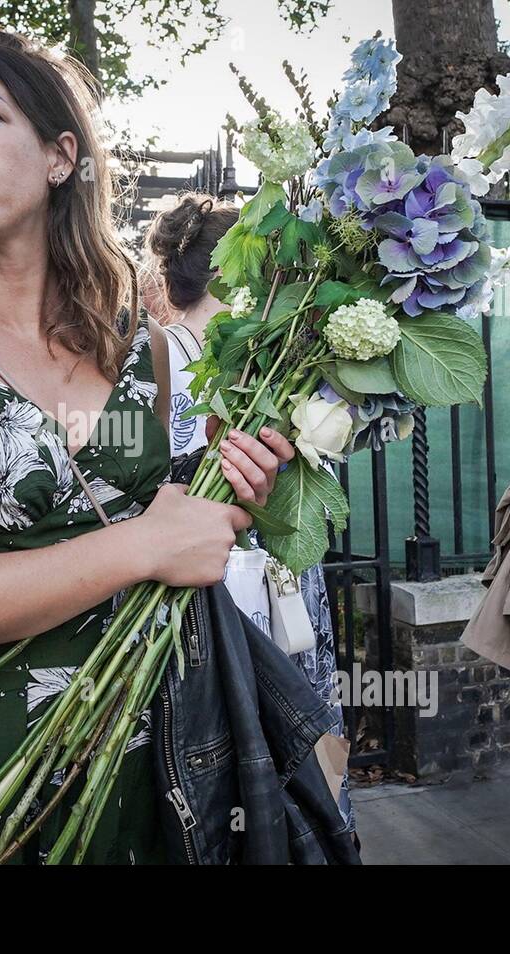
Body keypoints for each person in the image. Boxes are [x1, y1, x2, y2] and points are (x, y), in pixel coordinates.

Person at [0, 28, 293, 864]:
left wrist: (230, 491)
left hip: (159, 754)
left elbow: (131, 508)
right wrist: (146, 544)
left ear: (60, 157)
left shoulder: (137, 347)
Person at [145, 192, 357, 838]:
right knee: (297, 755)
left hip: (185, 581)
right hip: (268, 579)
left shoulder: (149, 353)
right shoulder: (274, 353)